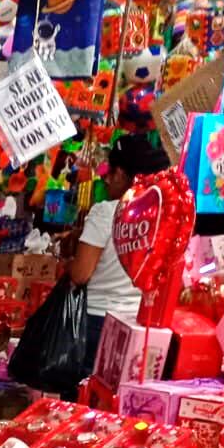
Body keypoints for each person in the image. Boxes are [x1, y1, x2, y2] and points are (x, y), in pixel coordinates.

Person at [71, 133, 168, 369]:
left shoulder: (106, 212)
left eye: (110, 173)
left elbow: (81, 274)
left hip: (96, 323)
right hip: (140, 324)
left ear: (122, 175)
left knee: (83, 398)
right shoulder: (163, 215)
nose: (105, 180)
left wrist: (64, 265)